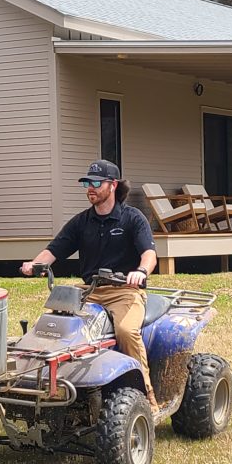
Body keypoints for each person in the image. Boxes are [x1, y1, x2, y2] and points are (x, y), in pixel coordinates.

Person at [20, 160, 159, 414]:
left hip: (124, 291)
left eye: (96, 183)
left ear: (113, 186)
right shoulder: (81, 222)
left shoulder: (132, 218)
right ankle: (58, 392)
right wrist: (34, 264)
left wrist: (140, 272)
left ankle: (146, 398)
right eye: (87, 183)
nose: (90, 188)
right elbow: (54, 250)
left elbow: (149, 254)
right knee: (56, 327)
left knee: (127, 331)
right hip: (89, 291)